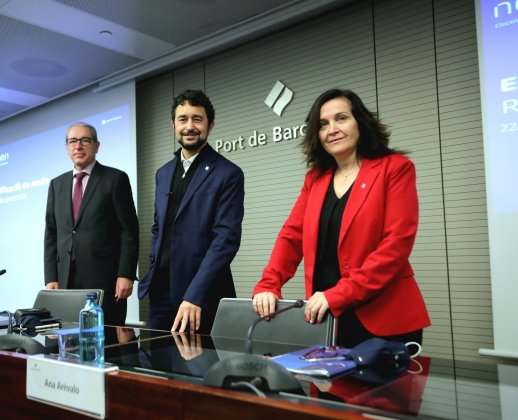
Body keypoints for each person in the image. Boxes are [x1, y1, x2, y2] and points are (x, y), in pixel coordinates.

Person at [252, 88, 430, 348]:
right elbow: (292, 237)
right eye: (323, 124)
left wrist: (338, 295)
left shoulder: (395, 168)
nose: (332, 129)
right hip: (327, 319)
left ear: (360, 122)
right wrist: (269, 284)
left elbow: (395, 246)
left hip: (384, 322)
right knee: (327, 390)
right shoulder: (315, 179)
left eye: (341, 118)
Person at [138, 89, 245, 334]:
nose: (190, 126)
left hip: (201, 296)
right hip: (161, 293)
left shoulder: (228, 173)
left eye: (197, 119)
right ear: (173, 124)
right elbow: (158, 227)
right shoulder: (163, 173)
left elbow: (225, 240)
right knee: (159, 368)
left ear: (211, 125)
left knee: (198, 369)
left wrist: (196, 294)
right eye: (183, 119)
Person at [44, 122, 139, 326]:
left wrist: (126, 274)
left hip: (105, 281)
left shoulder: (115, 179)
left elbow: (129, 231)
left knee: (107, 345)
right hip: (65, 282)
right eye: (72, 141)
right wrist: (51, 276)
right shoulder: (56, 184)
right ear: (67, 148)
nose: (78, 146)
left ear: (97, 146)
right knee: (68, 345)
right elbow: (51, 234)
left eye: (85, 140)